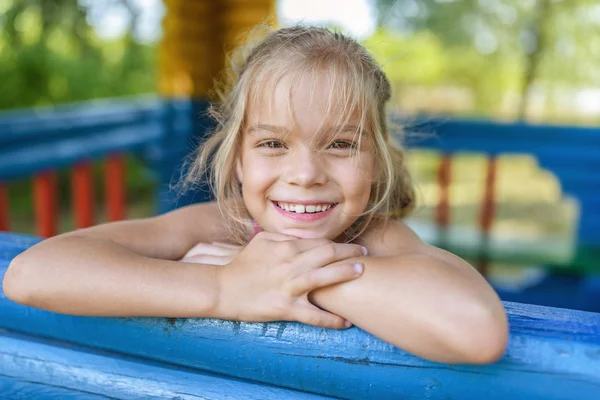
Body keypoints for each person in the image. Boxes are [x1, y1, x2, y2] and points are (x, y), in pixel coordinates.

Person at [2, 26, 508, 364]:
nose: (305, 173)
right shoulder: (218, 226)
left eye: (340, 144)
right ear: (238, 157)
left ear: (375, 162)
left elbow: (476, 332)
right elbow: (32, 273)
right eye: (273, 143)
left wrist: (281, 279)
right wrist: (225, 289)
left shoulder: (377, 238)